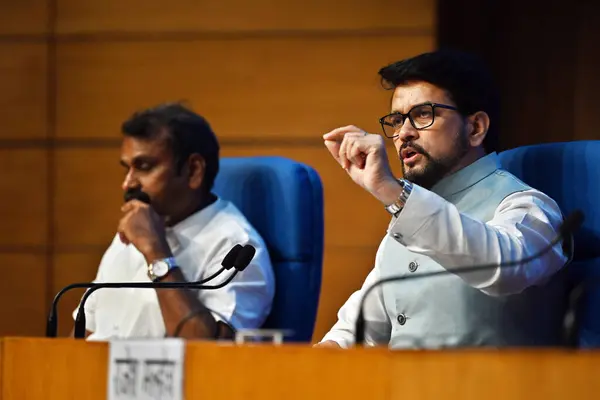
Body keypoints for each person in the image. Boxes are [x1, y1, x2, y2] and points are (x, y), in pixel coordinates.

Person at [316, 49, 571, 349]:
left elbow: (504, 268)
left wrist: (392, 192)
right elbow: (356, 332)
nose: (403, 134)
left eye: (423, 114)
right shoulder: (403, 224)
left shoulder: (530, 208)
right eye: (397, 120)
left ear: (475, 128)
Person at [71, 102, 275, 340]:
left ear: (193, 170)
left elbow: (207, 353)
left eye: (144, 167)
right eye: (126, 169)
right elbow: (83, 336)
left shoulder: (236, 247)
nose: (128, 184)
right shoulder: (134, 230)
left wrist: (155, 251)